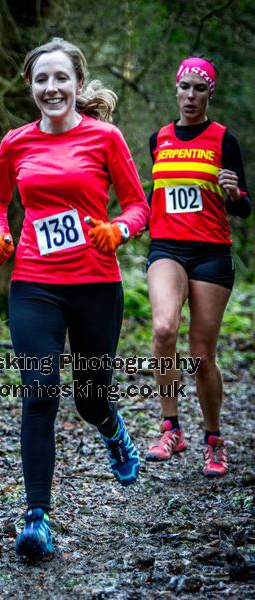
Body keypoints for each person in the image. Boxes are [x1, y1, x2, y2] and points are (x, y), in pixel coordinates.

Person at [0, 38, 149, 560]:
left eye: (60, 79)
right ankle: (36, 519)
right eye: (41, 80)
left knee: (89, 396)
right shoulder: (16, 142)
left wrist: (118, 230)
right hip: (34, 283)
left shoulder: (105, 138)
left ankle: (113, 430)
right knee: (39, 394)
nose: (51, 88)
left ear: (78, 84)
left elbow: (139, 206)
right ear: (31, 87)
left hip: (97, 285)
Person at [145, 56, 252, 477]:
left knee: (202, 355)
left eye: (199, 89)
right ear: (176, 89)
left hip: (210, 251)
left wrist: (234, 195)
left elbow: (243, 207)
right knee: (163, 328)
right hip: (168, 247)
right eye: (184, 87)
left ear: (210, 93)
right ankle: (170, 427)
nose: (190, 96)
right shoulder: (159, 139)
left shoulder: (225, 140)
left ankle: (213, 440)